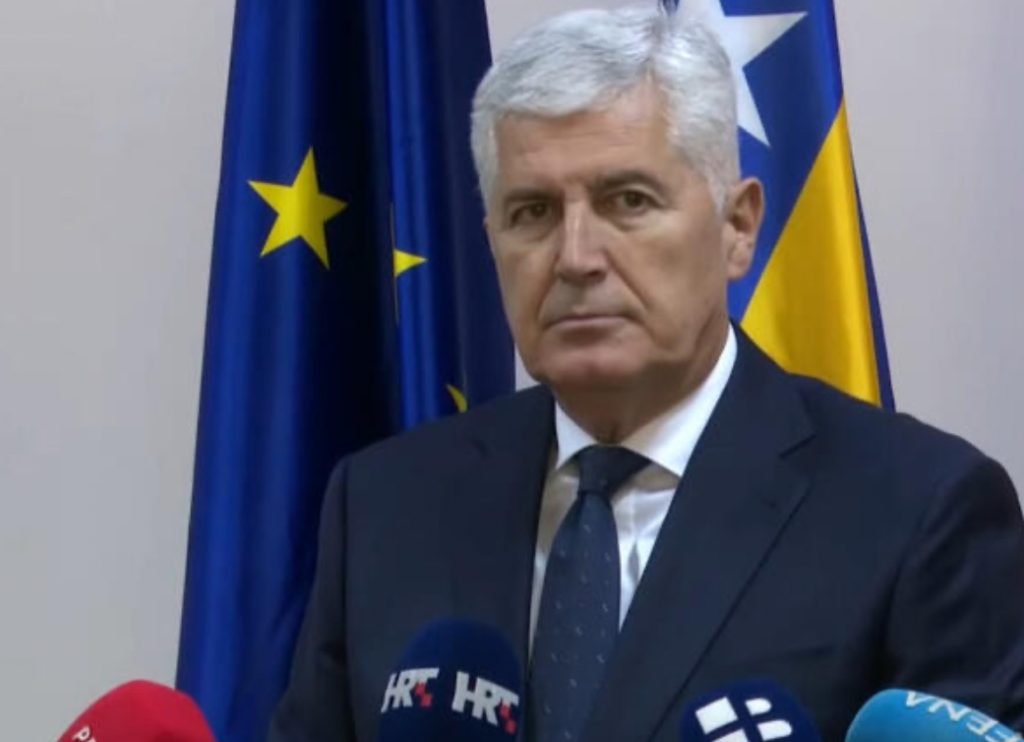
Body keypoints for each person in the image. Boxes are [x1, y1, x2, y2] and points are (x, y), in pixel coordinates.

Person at [268, 7, 1024, 741]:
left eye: (627, 201)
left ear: (737, 227)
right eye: (532, 212)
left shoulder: (918, 512)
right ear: (491, 238)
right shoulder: (384, 504)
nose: (575, 258)